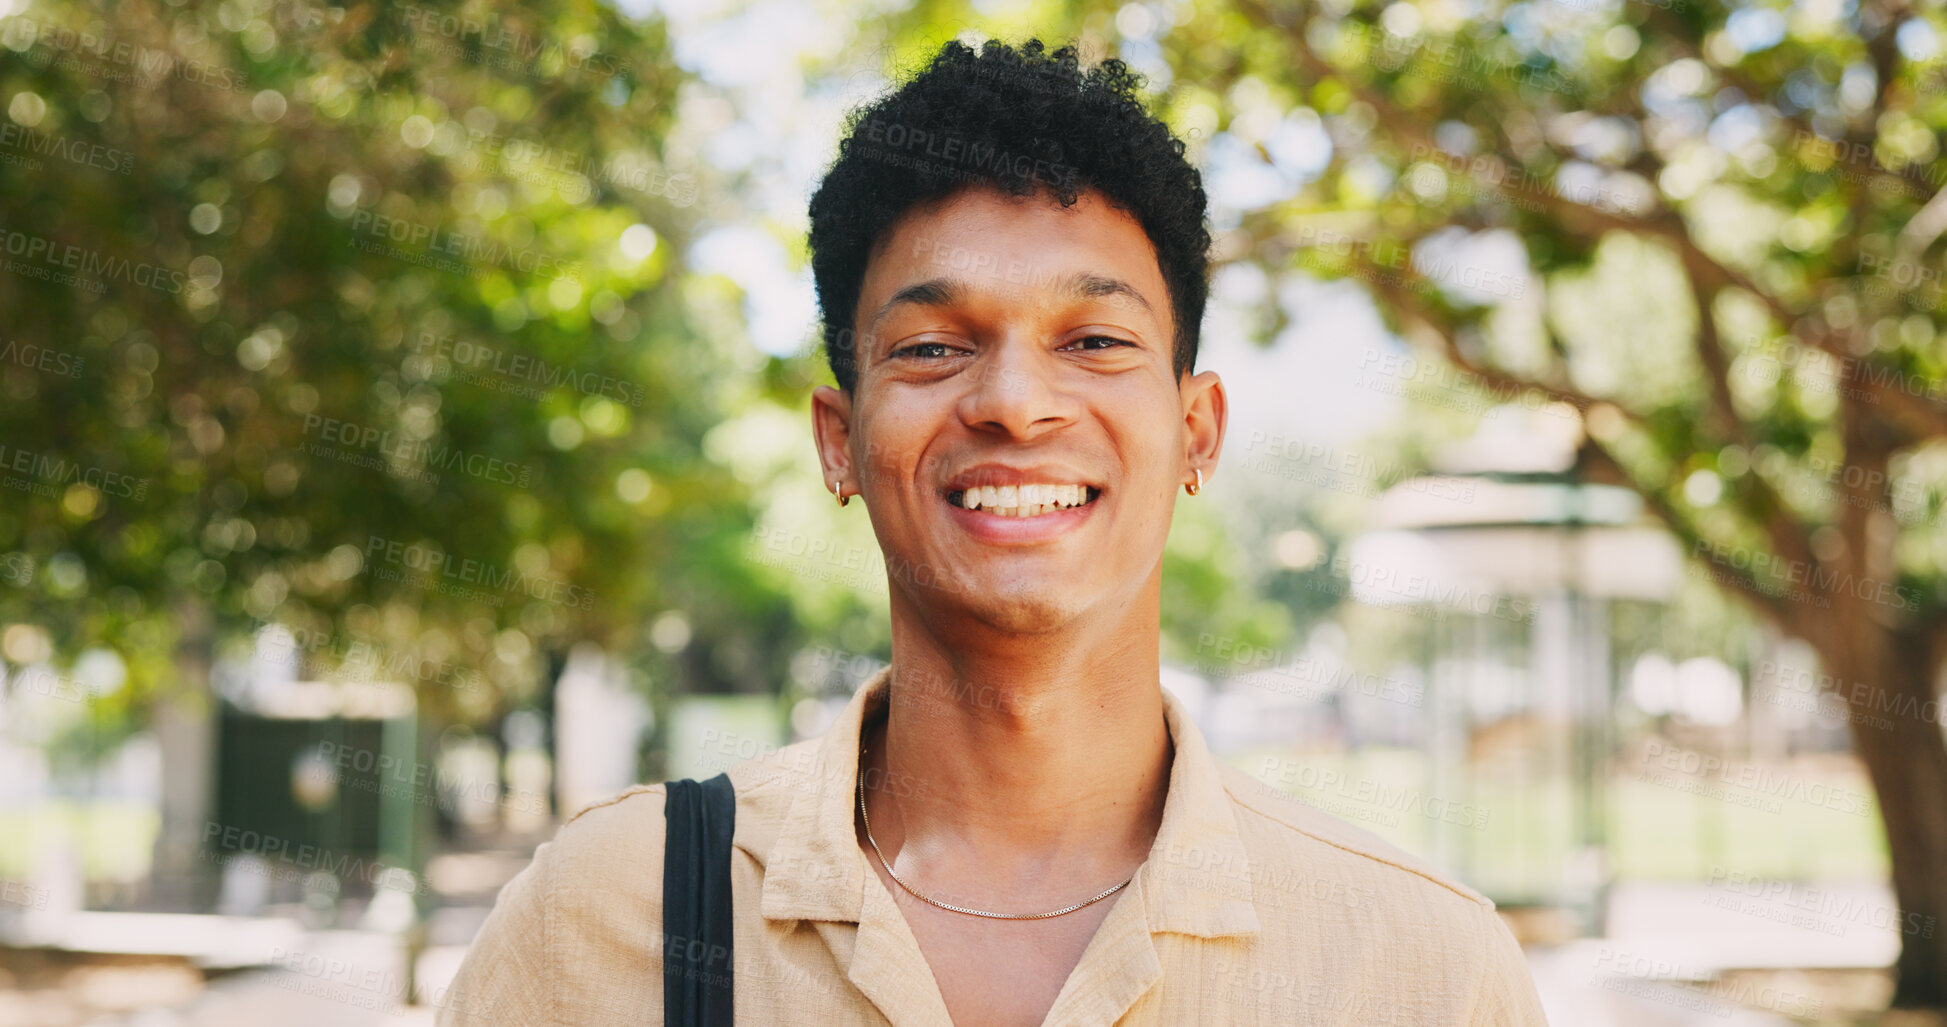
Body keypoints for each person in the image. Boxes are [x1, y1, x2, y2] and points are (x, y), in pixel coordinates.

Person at [439, 37, 1549, 1026]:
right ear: (839, 441)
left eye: (1095, 341)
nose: (1016, 402)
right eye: (930, 347)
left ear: (1197, 430)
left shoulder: (1418, 970)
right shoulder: (602, 920)